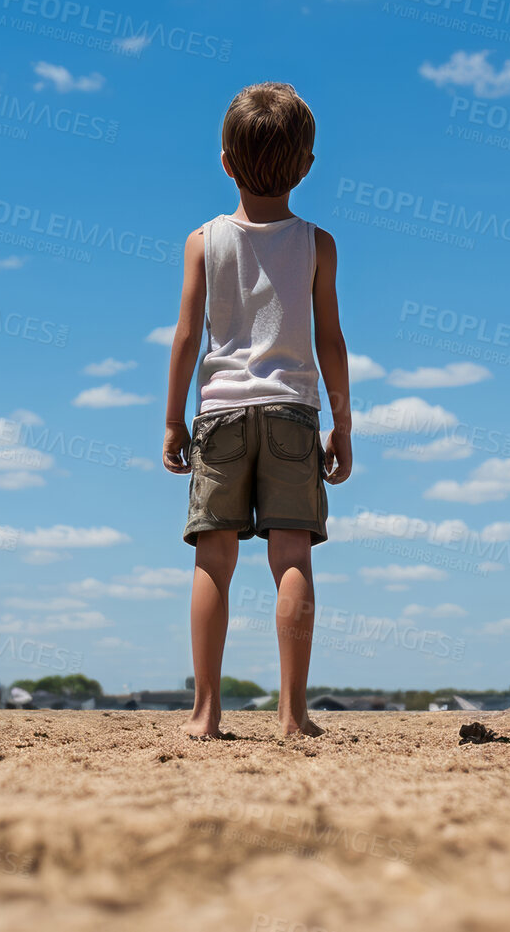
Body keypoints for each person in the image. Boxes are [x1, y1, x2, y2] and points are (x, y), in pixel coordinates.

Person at [163, 82, 352, 738]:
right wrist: (342, 424)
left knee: (213, 560)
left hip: (218, 412)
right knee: (292, 556)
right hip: (293, 413)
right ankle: (294, 715)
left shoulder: (201, 241)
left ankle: (205, 712)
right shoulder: (317, 244)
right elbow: (330, 339)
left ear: (224, 161)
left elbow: (187, 337)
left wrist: (171, 418)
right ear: (305, 165)